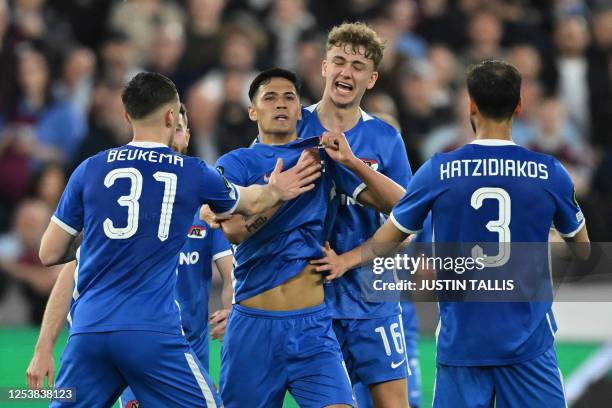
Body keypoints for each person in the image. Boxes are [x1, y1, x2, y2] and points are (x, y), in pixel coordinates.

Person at [312, 60, 591, 408]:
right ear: (519, 107)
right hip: (529, 343)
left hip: (463, 343)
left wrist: (344, 260)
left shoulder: (439, 170)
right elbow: (581, 250)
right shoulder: (550, 172)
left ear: (471, 105)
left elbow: (391, 237)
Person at [37, 71, 321, 407]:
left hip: (88, 329)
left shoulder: (90, 168)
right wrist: (277, 189)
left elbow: (49, 252)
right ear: (172, 116)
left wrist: (101, 238)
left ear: (128, 116)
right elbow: (251, 201)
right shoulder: (190, 172)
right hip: (150, 332)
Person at [213, 67, 405, 408]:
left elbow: (401, 207)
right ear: (253, 111)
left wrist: (352, 161)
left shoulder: (320, 159)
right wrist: (276, 194)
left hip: (313, 327)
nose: (281, 104)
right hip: (253, 326)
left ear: (301, 112)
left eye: (290, 97)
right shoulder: (235, 163)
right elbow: (234, 231)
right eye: (269, 98)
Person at [298, 22, 415, 407]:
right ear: (323, 67)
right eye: (339, 61)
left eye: (358, 66)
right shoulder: (291, 127)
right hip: (310, 298)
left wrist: (348, 261)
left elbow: (407, 221)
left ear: (372, 78)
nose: (347, 72)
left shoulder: (386, 139)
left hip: (372, 297)